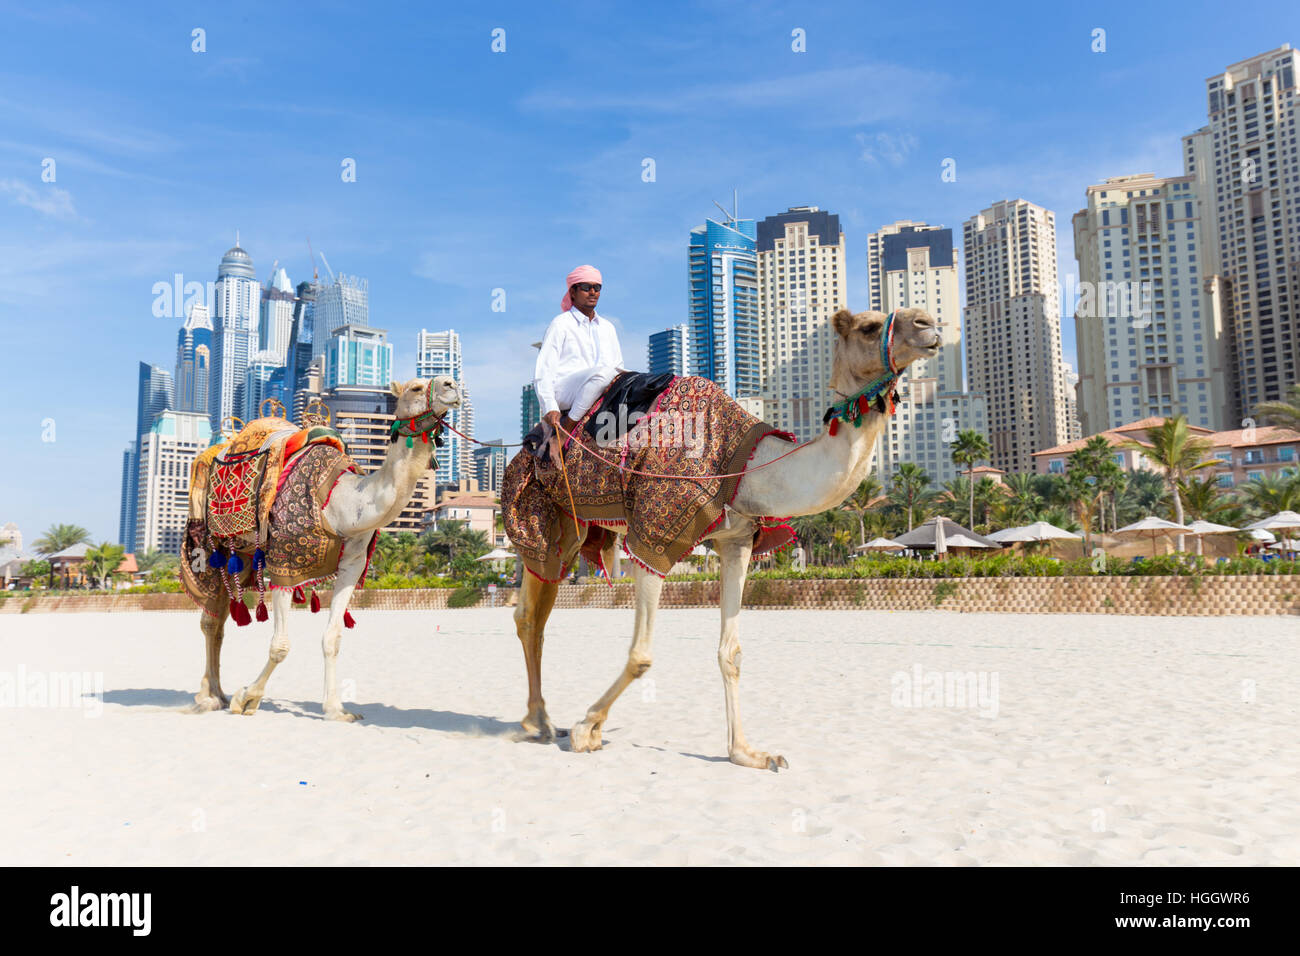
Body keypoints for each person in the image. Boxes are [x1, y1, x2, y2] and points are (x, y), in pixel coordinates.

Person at [534, 264, 625, 463]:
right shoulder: (561, 323)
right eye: (586, 287)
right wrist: (550, 407)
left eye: (597, 287)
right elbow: (543, 371)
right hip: (565, 391)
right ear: (573, 292)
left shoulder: (608, 328)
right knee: (602, 374)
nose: (592, 292)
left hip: (600, 388)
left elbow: (618, 367)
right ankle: (565, 433)